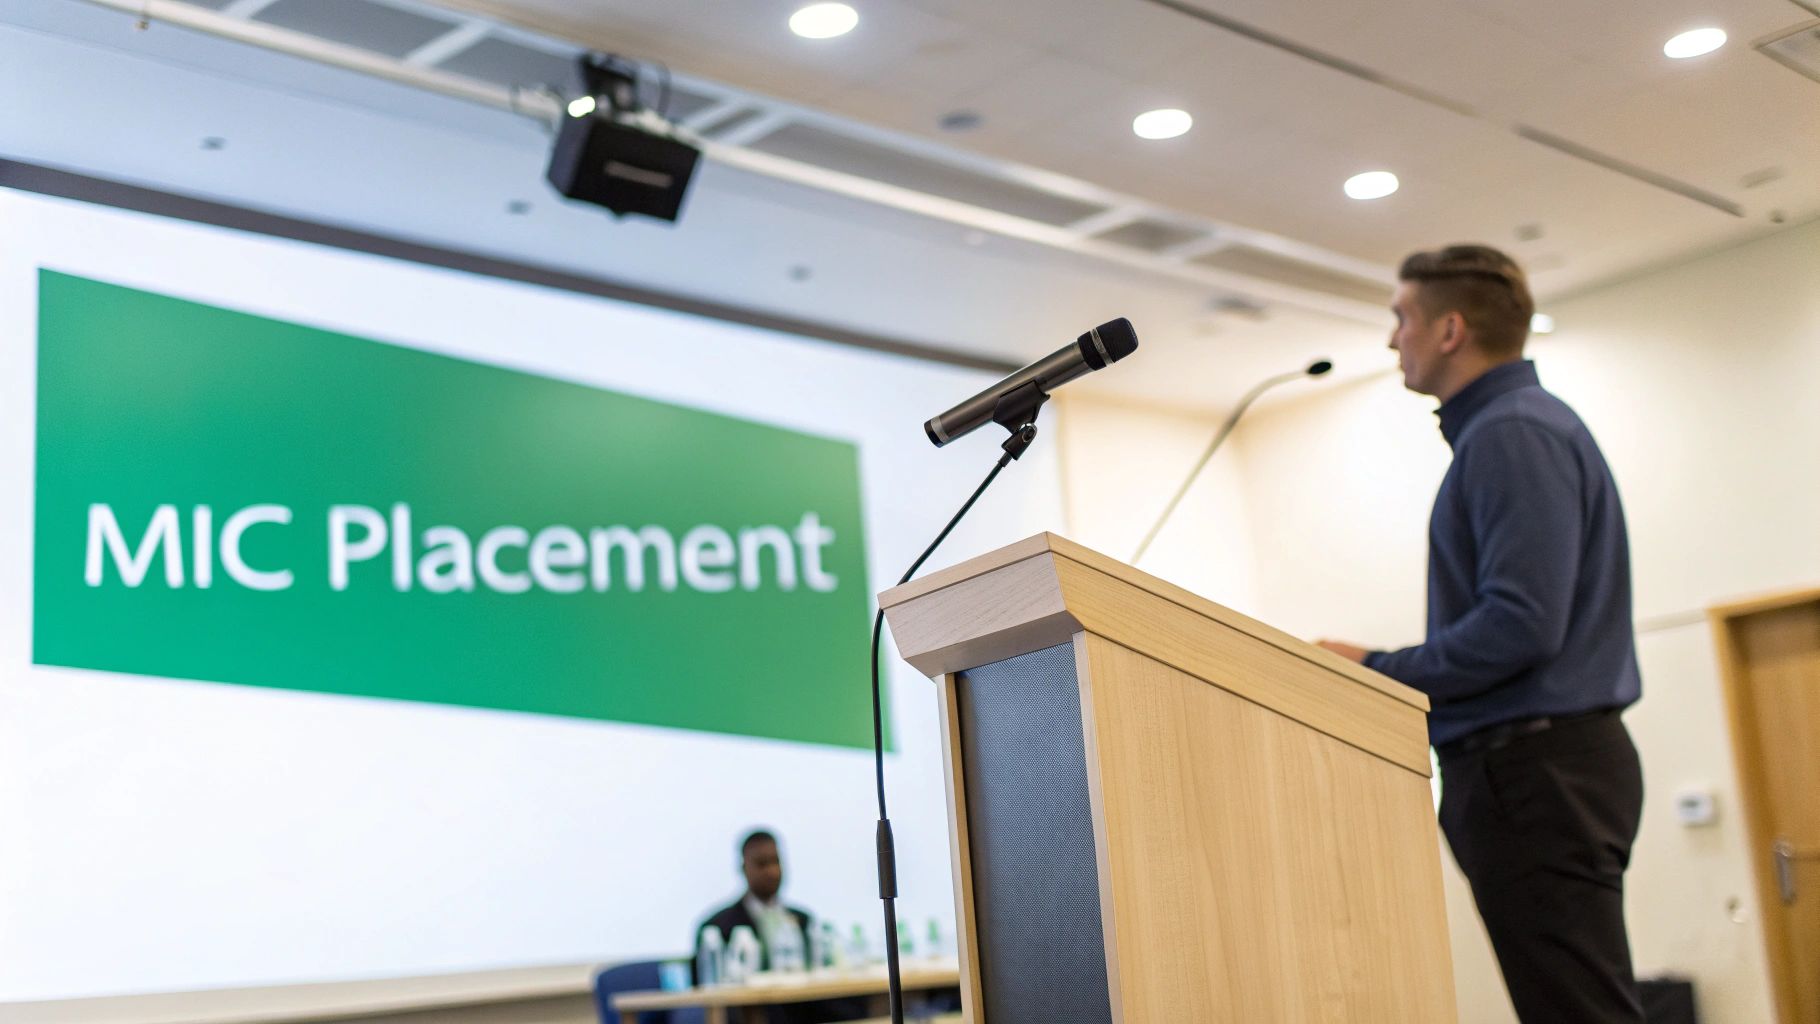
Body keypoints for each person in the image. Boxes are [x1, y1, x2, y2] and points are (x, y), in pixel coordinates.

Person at [1318, 244, 1645, 1023]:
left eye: (1402, 318)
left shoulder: (1511, 434)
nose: (1392, 337)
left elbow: (1521, 626)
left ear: (1450, 330)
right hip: (1539, 770)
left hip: (1534, 772)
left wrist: (1376, 670)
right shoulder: (1514, 429)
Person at [695, 829, 812, 976]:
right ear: (743, 868)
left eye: (776, 862)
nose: (772, 871)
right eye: (762, 864)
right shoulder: (717, 928)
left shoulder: (804, 921)